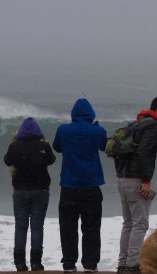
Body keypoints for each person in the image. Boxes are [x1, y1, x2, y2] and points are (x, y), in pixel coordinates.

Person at [115, 95, 157, 274]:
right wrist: (146, 180)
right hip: (136, 181)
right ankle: (133, 265)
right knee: (140, 224)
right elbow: (144, 152)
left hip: (122, 179)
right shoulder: (153, 126)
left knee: (128, 224)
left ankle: (122, 264)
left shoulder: (136, 124)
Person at [52, 98, 107, 273]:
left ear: (73, 113)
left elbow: (57, 148)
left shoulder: (63, 130)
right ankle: (90, 265)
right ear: (91, 113)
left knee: (68, 227)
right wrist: (96, 129)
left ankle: (68, 264)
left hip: (69, 186)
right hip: (91, 186)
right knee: (91, 227)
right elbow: (105, 147)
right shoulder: (98, 131)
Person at [4, 117, 56, 272]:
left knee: (20, 227)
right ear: (38, 132)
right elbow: (51, 160)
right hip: (40, 190)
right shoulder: (44, 145)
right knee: (37, 227)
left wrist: (14, 141)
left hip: (20, 191)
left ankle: (20, 263)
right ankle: (36, 263)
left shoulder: (14, 146)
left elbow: (7, 161)